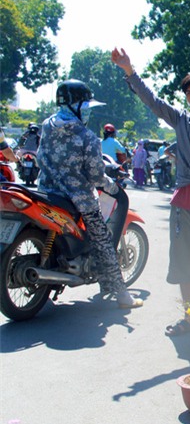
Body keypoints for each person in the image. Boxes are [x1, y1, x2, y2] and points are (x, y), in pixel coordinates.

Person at [112, 47, 190, 343]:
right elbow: (154, 103)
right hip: (182, 209)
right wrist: (130, 71)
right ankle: (189, 318)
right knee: (183, 268)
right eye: (189, 93)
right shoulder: (182, 121)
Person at [36, 79, 143, 309]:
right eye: (85, 107)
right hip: (78, 199)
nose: (86, 113)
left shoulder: (46, 125)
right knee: (103, 240)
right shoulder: (87, 137)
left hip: (45, 192)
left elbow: (40, 157)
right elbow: (95, 177)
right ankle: (123, 296)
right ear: (76, 106)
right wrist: (111, 186)